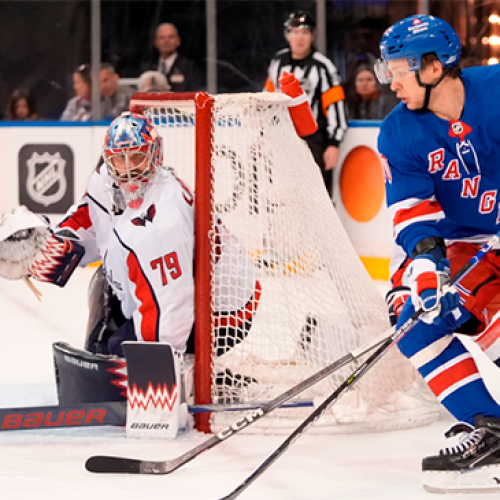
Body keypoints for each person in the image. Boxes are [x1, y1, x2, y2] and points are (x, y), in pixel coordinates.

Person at [376, 14, 500, 492]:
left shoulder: (496, 91)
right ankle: (489, 425)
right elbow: (411, 211)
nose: (392, 82)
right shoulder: (399, 132)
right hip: (457, 241)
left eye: (399, 70)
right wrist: (428, 265)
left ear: (432, 67)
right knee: (415, 317)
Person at [264, 10, 348, 198]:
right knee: (282, 195)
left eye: (304, 32)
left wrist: (333, 143)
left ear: (312, 35)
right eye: (294, 32)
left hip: (314, 139)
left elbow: (336, 105)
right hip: (282, 137)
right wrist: (263, 134)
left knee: (317, 196)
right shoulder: (278, 62)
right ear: (287, 35)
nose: (299, 37)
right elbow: (268, 99)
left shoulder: (322, 66)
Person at [149, 23, 204, 92]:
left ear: (178, 41)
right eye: (162, 38)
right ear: (156, 42)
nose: (166, 41)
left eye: (171, 37)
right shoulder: (148, 67)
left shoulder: (189, 68)